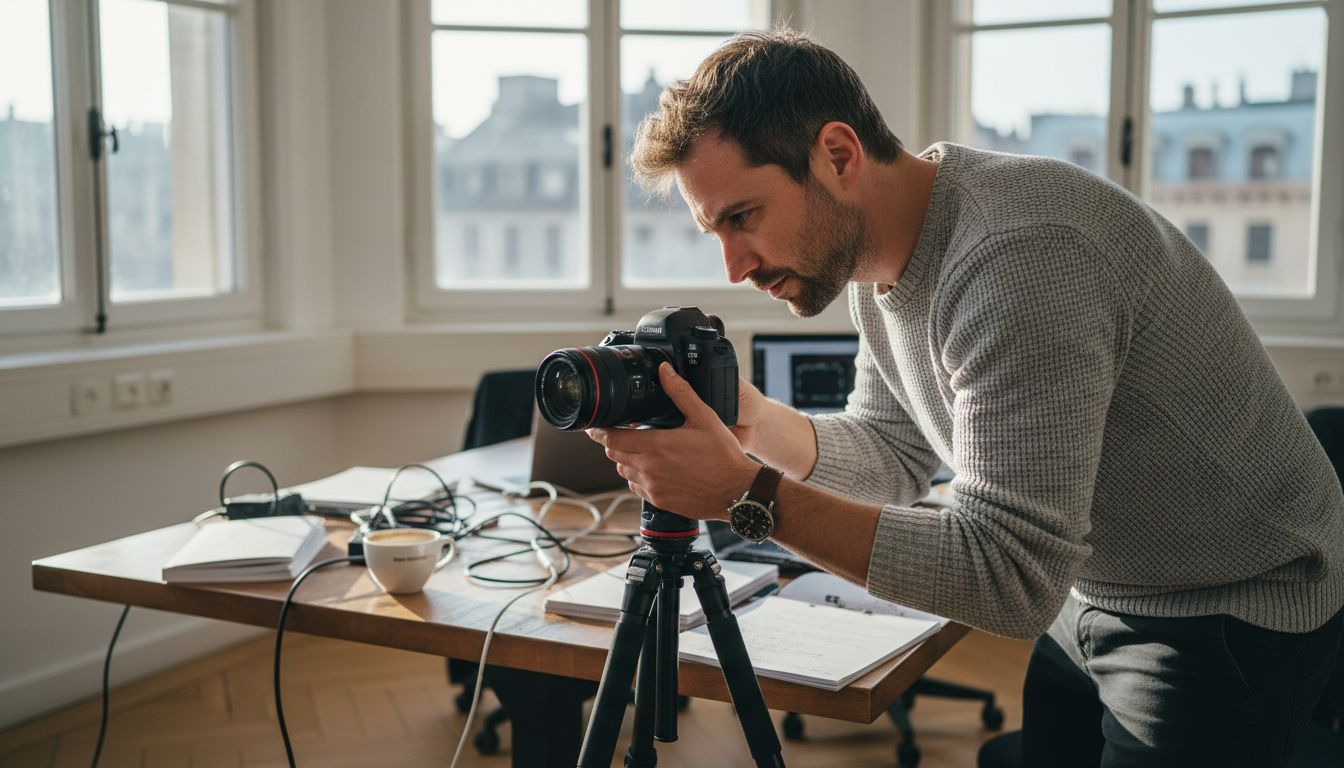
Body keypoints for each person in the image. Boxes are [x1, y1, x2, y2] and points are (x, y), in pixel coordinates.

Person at [586, 29, 1344, 767]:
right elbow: (891, 455)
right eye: (714, 230)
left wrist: (744, 493)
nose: (733, 266)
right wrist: (751, 422)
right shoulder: (878, 263)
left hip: (1228, 601)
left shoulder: (1019, 257)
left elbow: (1008, 576)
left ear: (838, 156)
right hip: (1090, 588)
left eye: (742, 218)